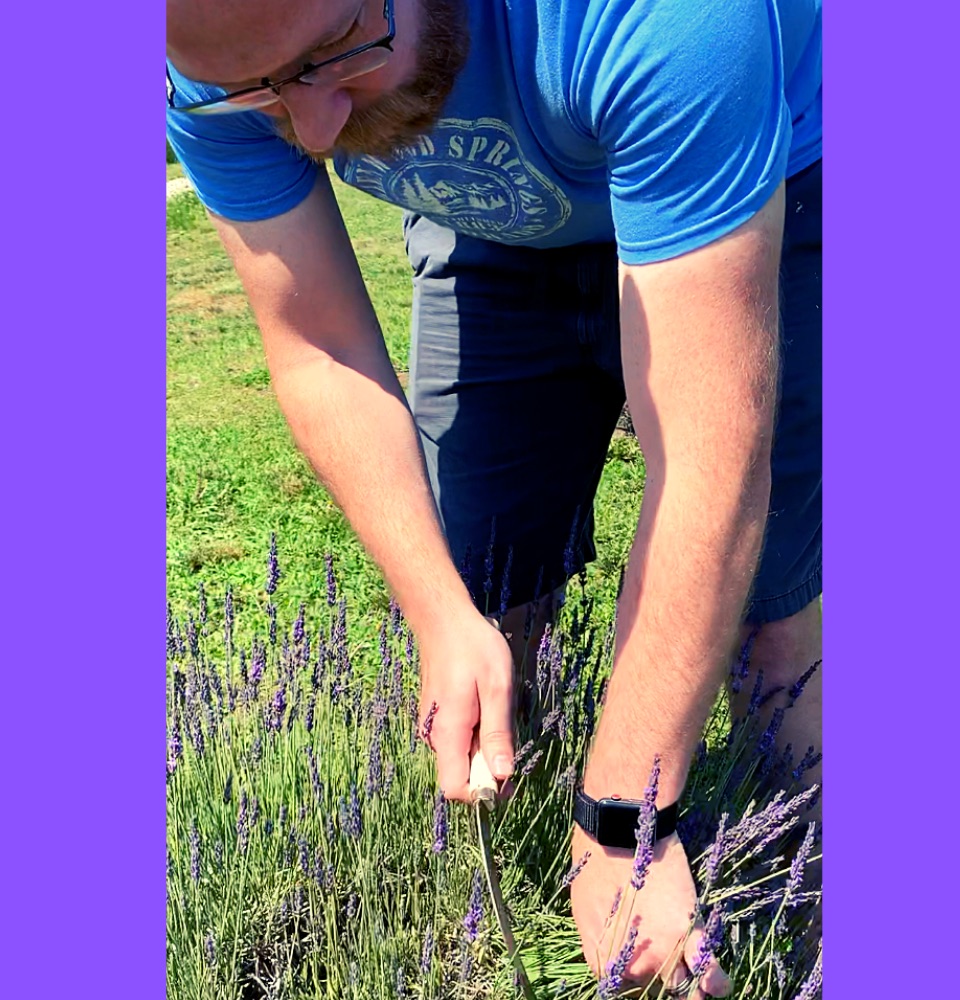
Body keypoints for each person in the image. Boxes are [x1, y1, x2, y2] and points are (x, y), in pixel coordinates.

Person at [166, 0, 822, 993]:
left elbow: (705, 457)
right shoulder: (216, 62)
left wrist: (621, 816)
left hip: (757, 178)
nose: (312, 132)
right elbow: (319, 345)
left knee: (776, 630)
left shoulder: (665, 18)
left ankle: (804, 897)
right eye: (257, 95)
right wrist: (439, 613)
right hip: (496, 219)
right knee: (487, 606)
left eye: (334, 59)